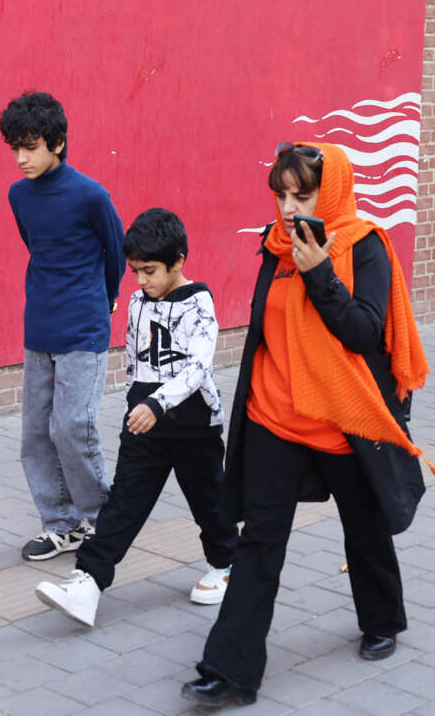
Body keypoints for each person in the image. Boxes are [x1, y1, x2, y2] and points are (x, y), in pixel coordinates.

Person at [182, 142, 429, 708]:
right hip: (275, 415)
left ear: (331, 190)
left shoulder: (363, 247)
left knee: (363, 527)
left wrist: (320, 274)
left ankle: (382, 619)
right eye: (282, 195)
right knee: (260, 542)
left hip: (342, 419)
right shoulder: (276, 247)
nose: (290, 208)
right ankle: (230, 670)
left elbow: (364, 335)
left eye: (303, 194)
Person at [34, 208, 239, 627]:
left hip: (193, 423)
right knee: (123, 503)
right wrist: (135, 401)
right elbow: (132, 356)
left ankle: (227, 565)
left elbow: (197, 367)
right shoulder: (135, 301)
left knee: (209, 501)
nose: (142, 280)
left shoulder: (199, 302)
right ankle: (87, 584)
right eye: (135, 271)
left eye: (150, 271)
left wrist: (157, 405)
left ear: (178, 261)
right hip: (143, 420)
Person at [0, 90, 124, 560]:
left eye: (30, 146)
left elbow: (115, 252)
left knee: (73, 426)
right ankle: (60, 524)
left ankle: (102, 518)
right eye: (15, 147)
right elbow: (37, 247)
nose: (21, 158)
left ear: (58, 142)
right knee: (35, 432)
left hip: (85, 328)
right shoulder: (19, 196)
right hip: (40, 328)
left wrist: (106, 300)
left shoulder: (91, 195)